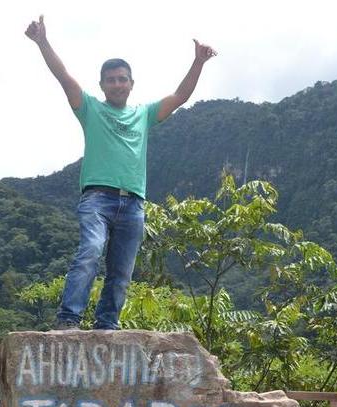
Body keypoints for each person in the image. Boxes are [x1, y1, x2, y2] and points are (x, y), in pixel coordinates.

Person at [25, 15, 216, 330]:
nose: (117, 84)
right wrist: (42, 41)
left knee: (122, 271)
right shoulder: (90, 108)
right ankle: (68, 319)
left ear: (131, 84)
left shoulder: (144, 114)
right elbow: (64, 76)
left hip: (133, 204)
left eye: (122, 79)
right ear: (102, 85)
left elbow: (180, 97)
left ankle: (106, 325)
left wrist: (198, 63)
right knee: (90, 251)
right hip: (97, 198)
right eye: (111, 80)